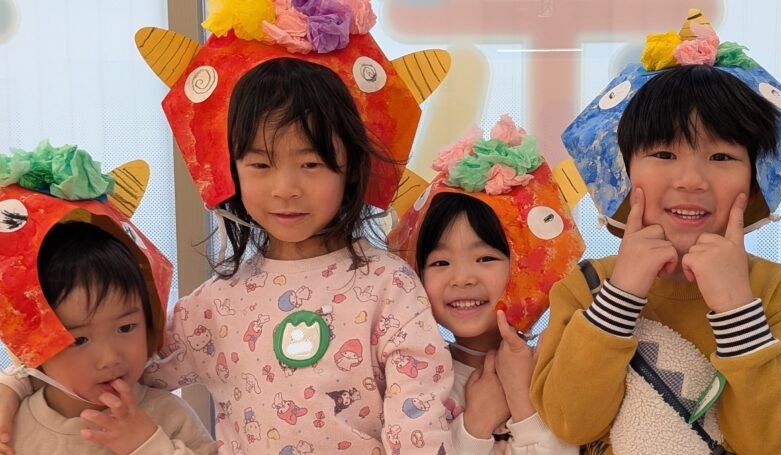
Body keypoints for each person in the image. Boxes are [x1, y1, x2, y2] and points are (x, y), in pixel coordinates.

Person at [2, 1, 455, 452]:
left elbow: (420, 434)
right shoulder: (214, 306)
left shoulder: (390, 287)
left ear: (351, 168)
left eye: (311, 163)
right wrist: (14, 386)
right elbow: (109, 355)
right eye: (260, 164)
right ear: (231, 171)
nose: (285, 189)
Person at [533, 10, 781, 455]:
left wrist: (736, 307)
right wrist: (620, 295)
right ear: (625, 173)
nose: (691, 180)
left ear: (755, 181)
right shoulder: (586, 286)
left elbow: (774, 444)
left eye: (722, 157)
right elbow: (571, 421)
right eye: (664, 154)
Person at [0, 144, 214, 454]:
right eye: (78, 340)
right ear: (33, 345)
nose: (109, 359)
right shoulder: (11, 426)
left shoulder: (169, 416)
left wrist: (148, 444)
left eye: (126, 327)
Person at [389, 116, 584, 454]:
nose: (462, 278)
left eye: (485, 258)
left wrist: (522, 400)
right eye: (440, 263)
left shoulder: (554, 368)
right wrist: (475, 425)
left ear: (527, 265)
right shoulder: (414, 377)